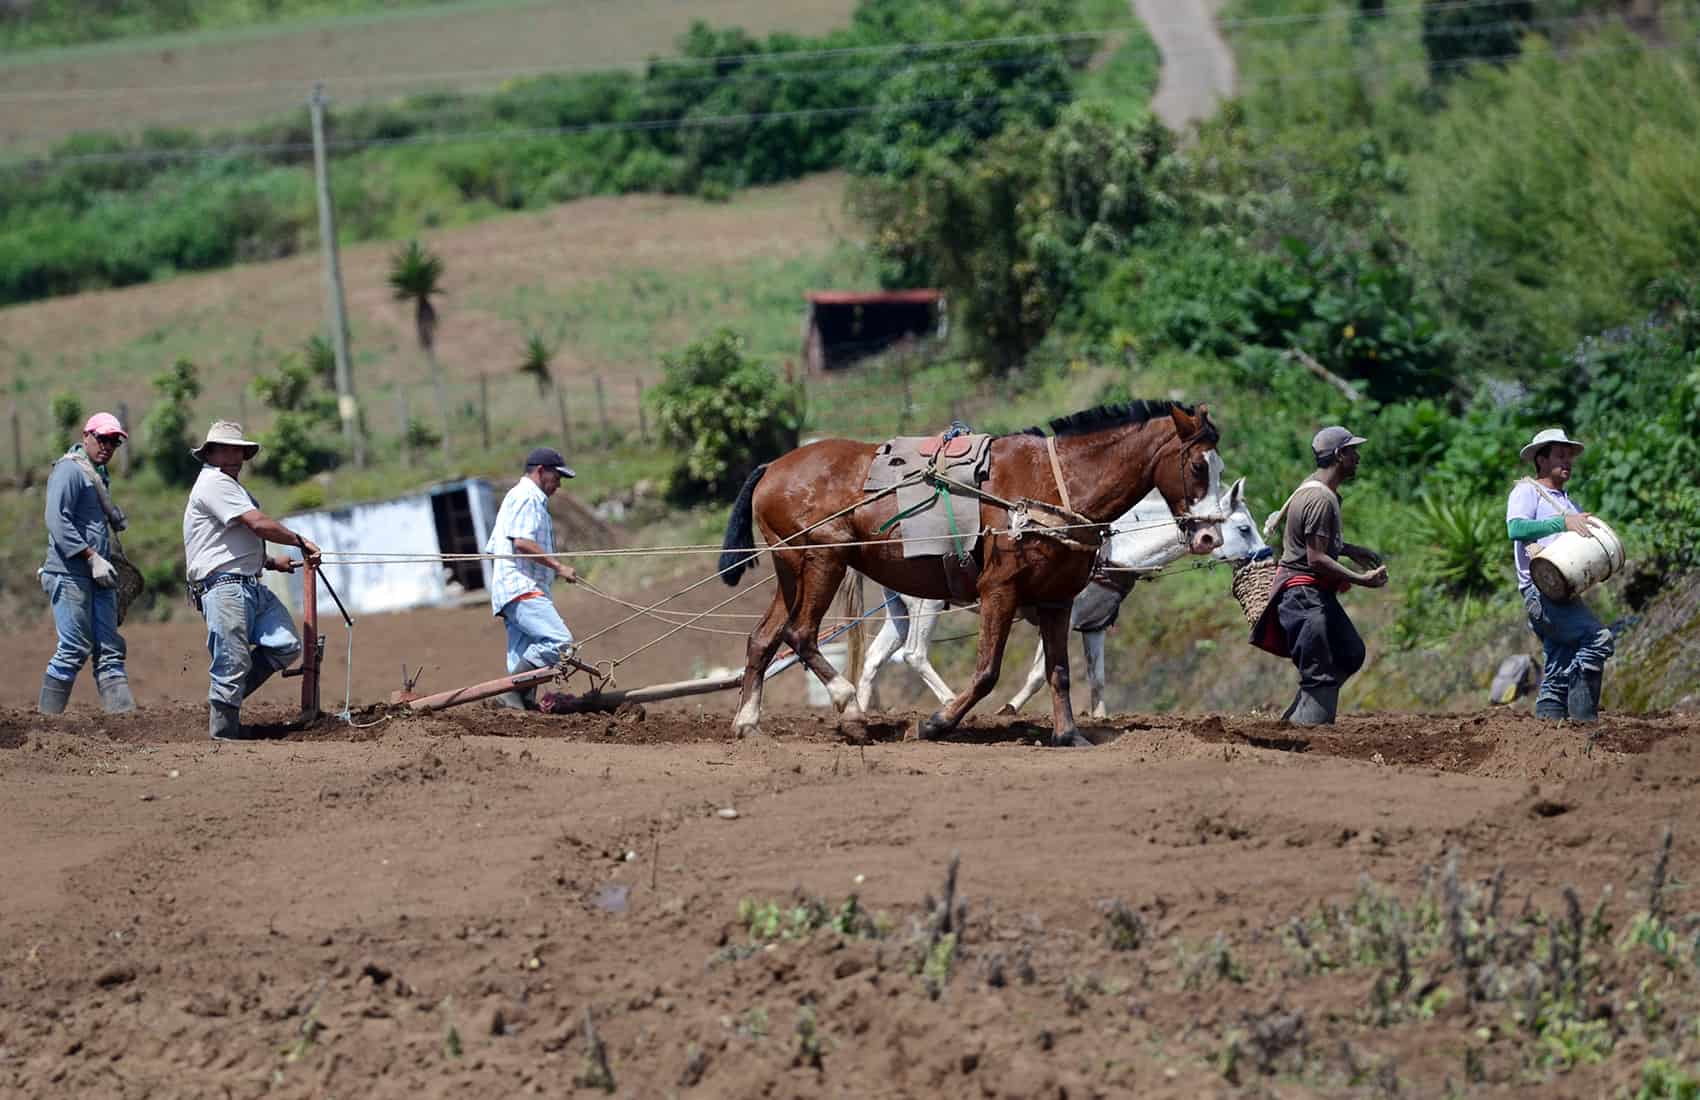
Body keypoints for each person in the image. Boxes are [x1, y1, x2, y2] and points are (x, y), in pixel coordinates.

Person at [181, 421, 321, 742]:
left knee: (285, 644)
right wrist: (300, 541)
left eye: (238, 450)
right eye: (225, 449)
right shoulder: (214, 483)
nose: (233, 455)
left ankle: (223, 702)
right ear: (211, 454)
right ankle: (224, 734)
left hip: (247, 583)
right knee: (232, 663)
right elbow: (257, 525)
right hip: (224, 587)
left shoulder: (233, 488)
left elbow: (230, 541)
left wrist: (271, 561)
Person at [1251, 426, 1389, 726]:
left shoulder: (1318, 490)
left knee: (1350, 652)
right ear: (1340, 456)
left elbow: (1313, 546)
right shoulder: (1320, 501)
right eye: (1352, 451)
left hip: (1310, 594)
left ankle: (1295, 721)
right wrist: (1361, 579)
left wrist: (1349, 549)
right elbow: (1315, 559)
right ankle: (1307, 742)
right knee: (1321, 673)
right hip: (1303, 597)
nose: (1358, 457)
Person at [1506, 428, 1614, 721]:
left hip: (1561, 593)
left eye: (1569, 456)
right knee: (1597, 640)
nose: (1567, 461)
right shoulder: (1527, 490)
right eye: (1559, 455)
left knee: (1558, 667)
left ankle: (1549, 743)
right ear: (1541, 460)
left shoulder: (1567, 501)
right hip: (1540, 592)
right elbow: (1515, 528)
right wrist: (1562, 523)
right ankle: (1584, 726)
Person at [39, 412, 137, 715]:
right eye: (103, 438)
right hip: (71, 574)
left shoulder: (96, 474)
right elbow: (56, 519)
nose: (108, 445)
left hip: (99, 574)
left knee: (110, 649)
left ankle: (124, 722)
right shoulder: (69, 470)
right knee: (73, 648)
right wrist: (91, 556)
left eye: (114, 442)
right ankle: (47, 724)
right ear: (86, 436)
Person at [485, 448, 581, 709]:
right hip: (522, 588)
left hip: (513, 589)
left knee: (521, 658)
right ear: (540, 471)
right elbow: (523, 543)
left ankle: (517, 706)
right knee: (560, 643)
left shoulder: (518, 497)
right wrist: (558, 567)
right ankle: (512, 696)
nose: (559, 484)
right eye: (557, 476)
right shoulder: (529, 497)